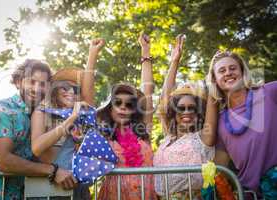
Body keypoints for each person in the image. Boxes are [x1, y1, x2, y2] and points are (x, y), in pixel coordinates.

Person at [0, 59, 76, 200]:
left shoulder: (40, 116)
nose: (37, 89)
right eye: (32, 82)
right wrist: (53, 171)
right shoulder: (0, 111)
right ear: (18, 82)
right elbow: (4, 161)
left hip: (22, 194)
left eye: (42, 84)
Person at [31, 39, 105, 199]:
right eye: (64, 87)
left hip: (77, 189)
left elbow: (89, 89)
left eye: (75, 89)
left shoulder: (82, 114)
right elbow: (36, 148)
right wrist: (70, 119)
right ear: (55, 90)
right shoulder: (42, 113)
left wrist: (92, 53)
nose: (70, 91)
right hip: (49, 188)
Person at [153, 35, 218, 199]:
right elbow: (164, 100)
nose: (187, 112)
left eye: (192, 108)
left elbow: (213, 101)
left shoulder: (203, 138)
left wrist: (214, 73)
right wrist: (174, 61)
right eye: (181, 108)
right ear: (174, 114)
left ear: (199, 113)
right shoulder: (169, 136)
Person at [207, 50, 277, 199]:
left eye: (233, 68)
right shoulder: (220, 121)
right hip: (249, 195)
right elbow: (220, 167)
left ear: (242, 71)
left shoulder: (269, 92)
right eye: (222, 71)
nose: (228, 73)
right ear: (215, 80)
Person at [97, 33, 157, 200]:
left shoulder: (142, 131)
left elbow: (147, 92)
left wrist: (145, 51)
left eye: (129, 104)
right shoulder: (104, 137)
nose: (123, 107)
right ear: (110, 109)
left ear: (134, 110)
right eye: (118, 103)